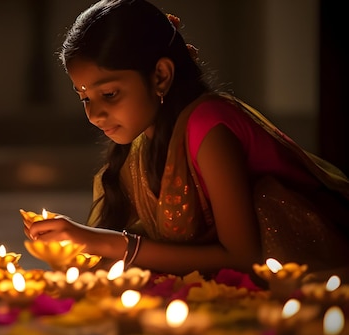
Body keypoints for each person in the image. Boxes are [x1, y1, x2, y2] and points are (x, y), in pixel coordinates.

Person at [23, 0, 349, 279]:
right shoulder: (141, 143)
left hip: (301, 267)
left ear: (160, 76)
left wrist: (110, 243)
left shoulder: (208, 127)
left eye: (109, 93)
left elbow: (243, 259)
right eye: (84, 98)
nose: (94, 114)